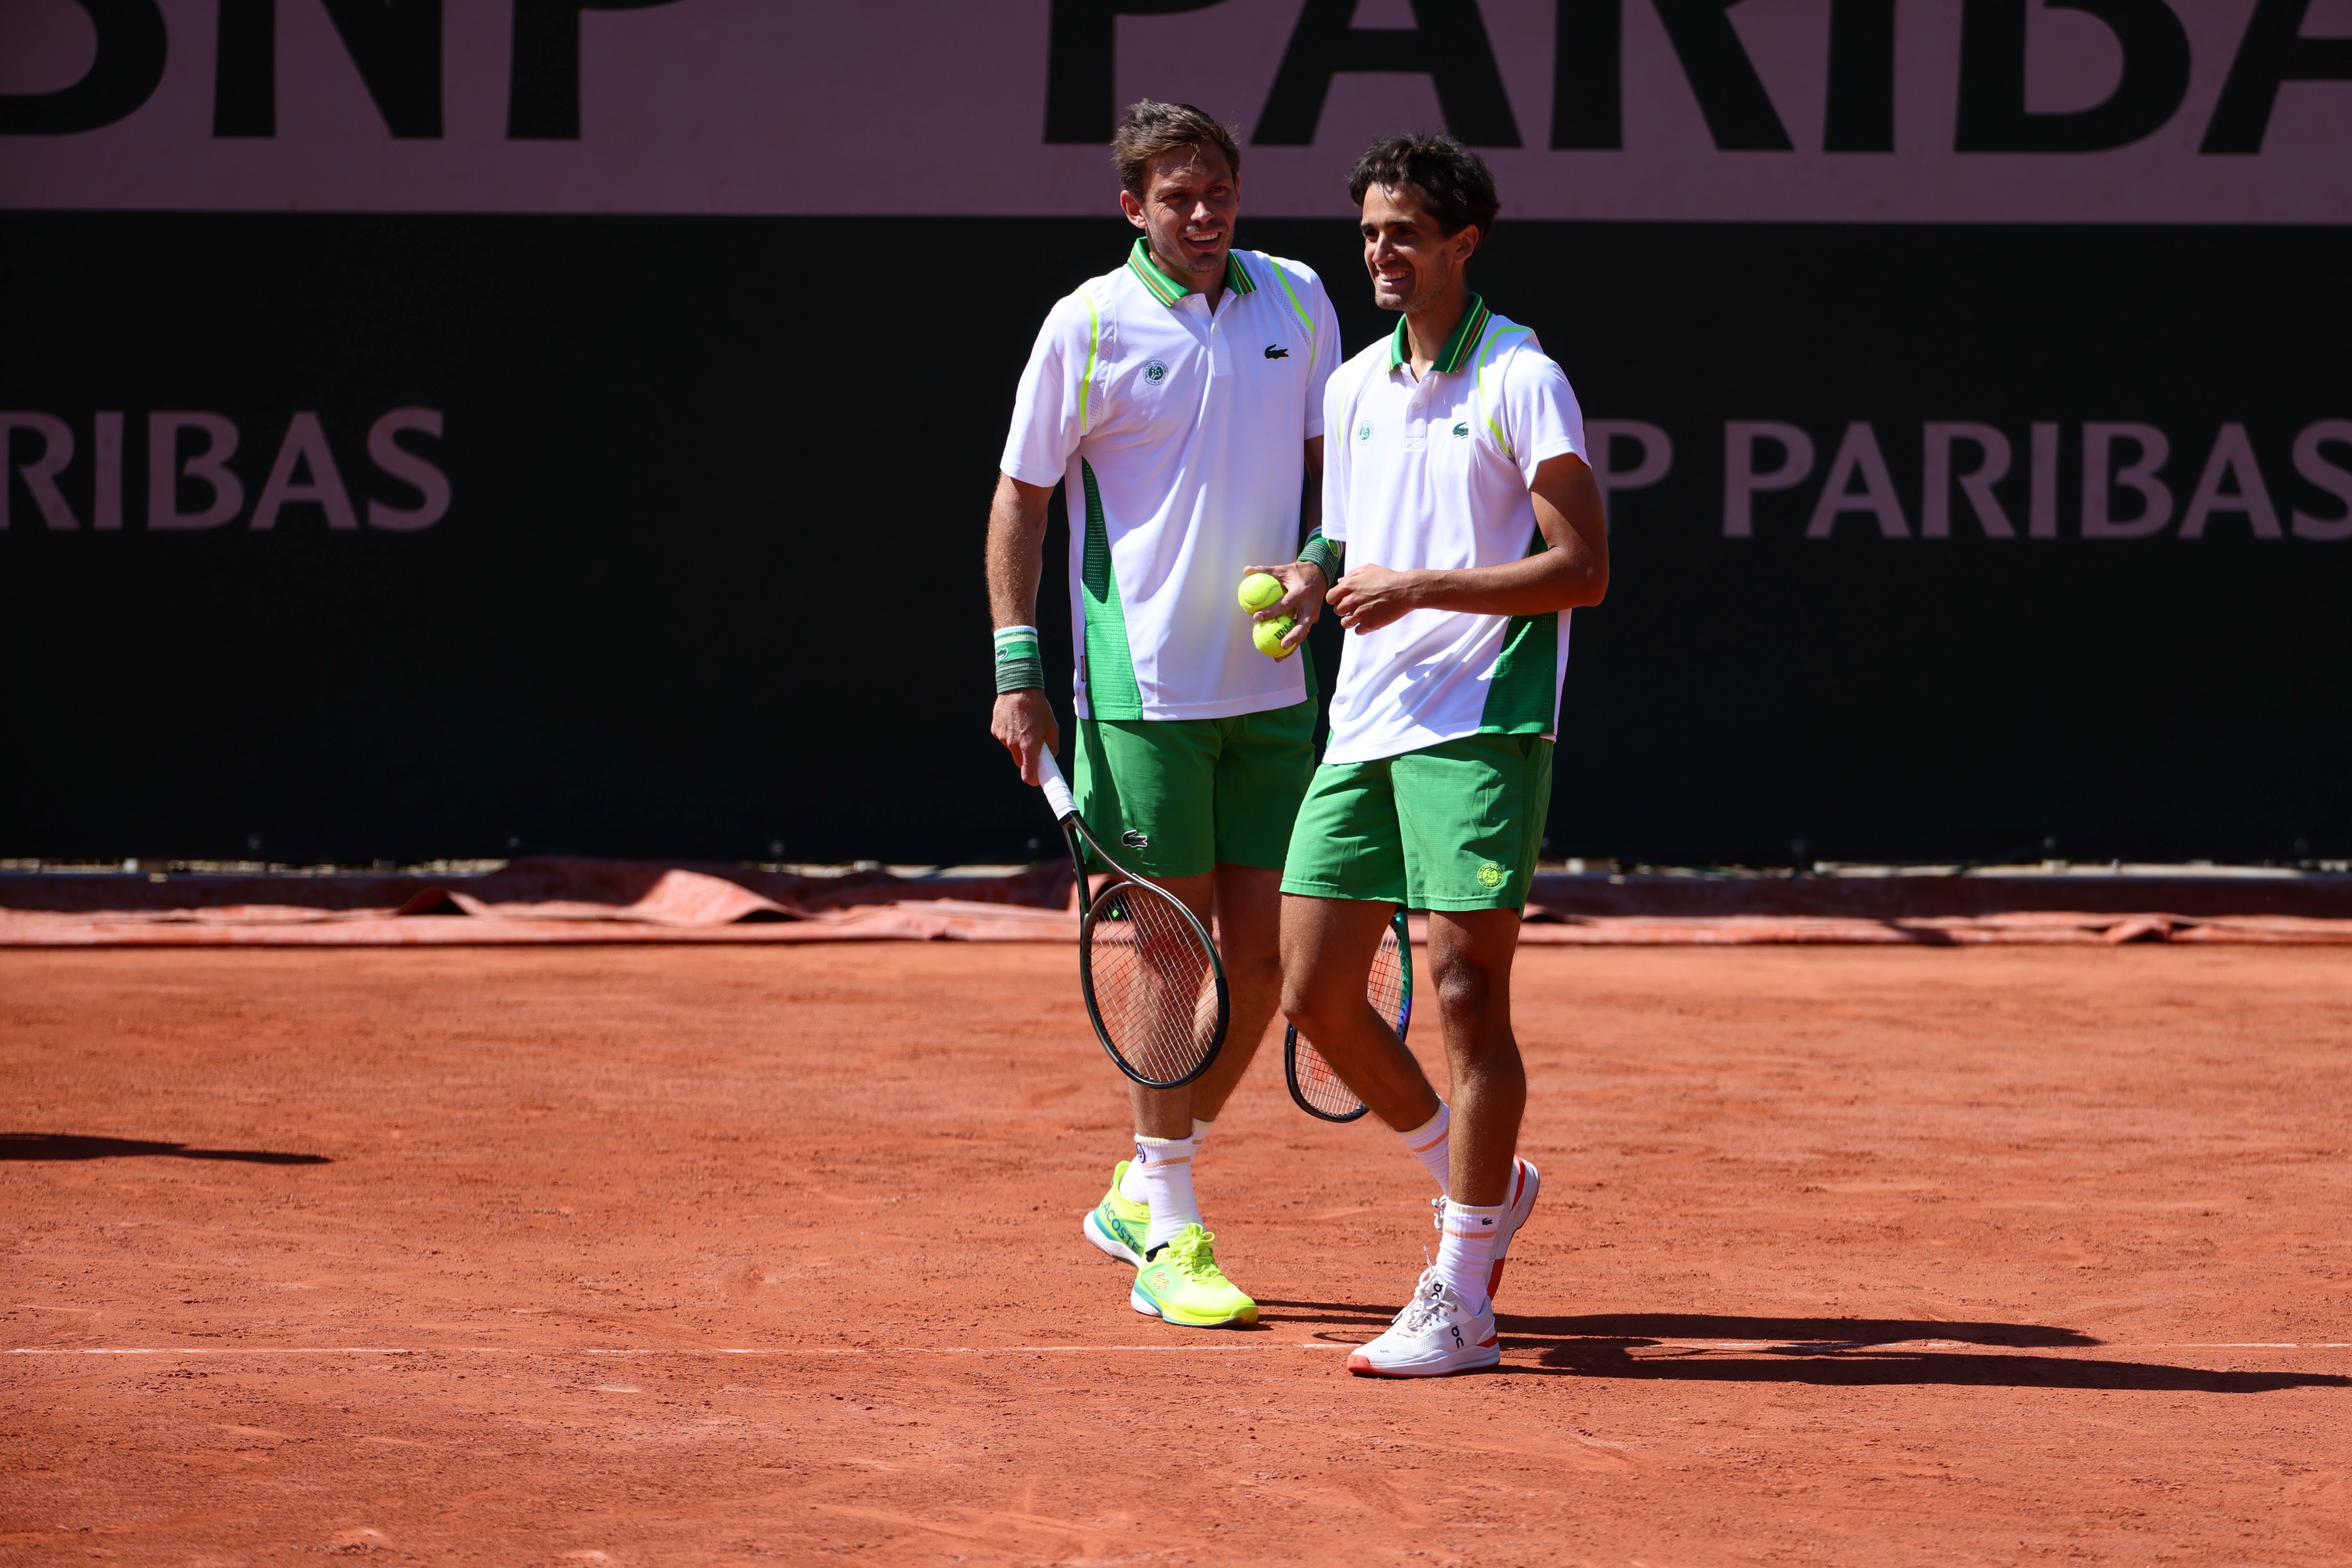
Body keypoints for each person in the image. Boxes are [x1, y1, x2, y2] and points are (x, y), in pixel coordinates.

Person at [988, 100, 1342, 1328]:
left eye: (1220, 193)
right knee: (1171, 951)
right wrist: (1015, 666)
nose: (1205, 216)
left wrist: (1318, 559)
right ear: (1132, 206)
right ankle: (1173, 1233)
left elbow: (1329, 476)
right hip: (1138, 691)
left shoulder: (1299, 299)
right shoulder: (1084, 324)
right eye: (1178, 198)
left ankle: (1144, 1181)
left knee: (1267, 962)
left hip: (1273, 685)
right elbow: (1021, 500)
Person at [1277, 134, 1610, 1376]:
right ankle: (1480, 1176)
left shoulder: (1524, 375)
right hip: (1362, 722)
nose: (1379, 251)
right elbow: (1345, 528)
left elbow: (1583, 569)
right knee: (1313, 996)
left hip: (1482, 720)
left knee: (1466, 995)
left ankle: (1462, 1287)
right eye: (1369, 230)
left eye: (1403, 232)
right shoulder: (1355, 383)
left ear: (1463, 242)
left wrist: (1422, 588)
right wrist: (1311, 574)